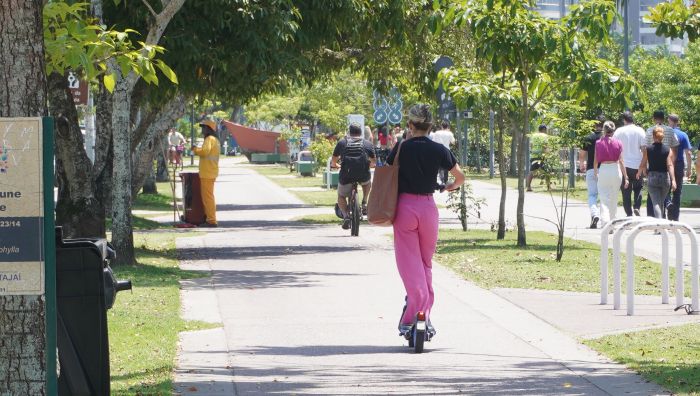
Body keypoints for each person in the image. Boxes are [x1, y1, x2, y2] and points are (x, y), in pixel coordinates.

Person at [386, 104, 465, 337]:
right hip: (428, 208)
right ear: (430, 127)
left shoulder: (402, 147)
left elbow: (388, 172)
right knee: (425, 262)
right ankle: (425, 311)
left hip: (405, 208)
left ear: (410, 125)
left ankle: (413, 310)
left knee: (409, 261)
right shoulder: (439, 149)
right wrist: (449, 187)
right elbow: (460, 177)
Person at [331, 123, 376, 229]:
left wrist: (336, 165)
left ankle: (346, 216)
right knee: (367, 183)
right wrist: (368, 165)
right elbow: (374, 162)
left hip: (346, 175)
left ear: (349, 132)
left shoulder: (342, 142)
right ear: (360, 133)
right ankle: (364, 201)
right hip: (363, 174)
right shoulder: (367, 144)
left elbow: (334, 161)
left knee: (341, 196)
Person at [639, 110, 679, 217]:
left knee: (653, 199)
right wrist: (672, 162)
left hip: (652, 168)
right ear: (664, 118)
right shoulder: (670, 130)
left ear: (653, 118)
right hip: (666, 168)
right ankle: (666, 206)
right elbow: (675, 147)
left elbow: (644, 149)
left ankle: (653, 218)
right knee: (662, 196)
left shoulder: (649, 131)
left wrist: (643, 168)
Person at [594, 121, 628, 226]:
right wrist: (626, 177)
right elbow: (621, 161)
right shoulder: (618, 143)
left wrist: (596, 172)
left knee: (604, 198)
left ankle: (605, 221)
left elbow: (595, 160)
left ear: (604, 130)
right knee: (614, 197)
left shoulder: (598, 143)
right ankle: (613, 222)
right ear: (613, 131)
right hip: (615, 169)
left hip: (604, 169)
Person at [613, 111, 646, 216]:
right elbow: (644, 149)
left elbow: (614, 148)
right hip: (637, 165)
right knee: (638, 188)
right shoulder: (640, 131)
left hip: (623, 165)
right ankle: (637, 206)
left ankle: (629, 214)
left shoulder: (619, 131)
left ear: (624, 120)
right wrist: (643, 165)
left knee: (625, 190)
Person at [192, 118, 221, 227]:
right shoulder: (215, 140)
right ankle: (208, 218)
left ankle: (212, 220)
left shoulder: (209, 139)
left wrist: (195, 149)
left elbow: (204, 152)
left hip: (207, 173)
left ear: (209, 128)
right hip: (210, 172)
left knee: (208, 198)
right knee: (207, 197)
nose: (202, 129)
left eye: (204, 127)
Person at [643, 127, 676, 218]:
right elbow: (670, 165)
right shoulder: (668, 149)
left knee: (656, 203)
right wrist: (673, 180)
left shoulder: (648, 149)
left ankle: (659, 225)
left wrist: (641, 171)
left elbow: (643, 162)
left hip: (652, 177)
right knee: (661, 202)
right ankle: (661, 223)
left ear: (653, 136)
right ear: (663, 137)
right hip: (665, 178)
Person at [579, 116, 605, 229]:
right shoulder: (607, 138)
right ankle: (605, 221)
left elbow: (582, 154)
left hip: (591, 168)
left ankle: (594, 214)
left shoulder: (588, 137)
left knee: (592, 195)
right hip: (605, 169)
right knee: (604, 196)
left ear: (594, 124)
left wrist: (581, 164)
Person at [667, 114, 691, 221]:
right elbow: (688, 153)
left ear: (670, 121)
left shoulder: (666, 133)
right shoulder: (683, 135)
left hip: (667, 164)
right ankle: (675, 218)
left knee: (665, 190)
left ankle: (668, 214)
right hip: (679, 164)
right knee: (677, 192)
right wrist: (689, 168)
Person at [526, 124, 550, 192]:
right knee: (546, 171)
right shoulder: (545, 136)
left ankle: (528, 187)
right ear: (544, 129)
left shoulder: (534, 136)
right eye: (546, 130)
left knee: (531, 172)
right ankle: (548, 187)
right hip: (541, 156)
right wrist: (547, 153)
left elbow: (531, 145)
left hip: (533, 156)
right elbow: (545, 146)